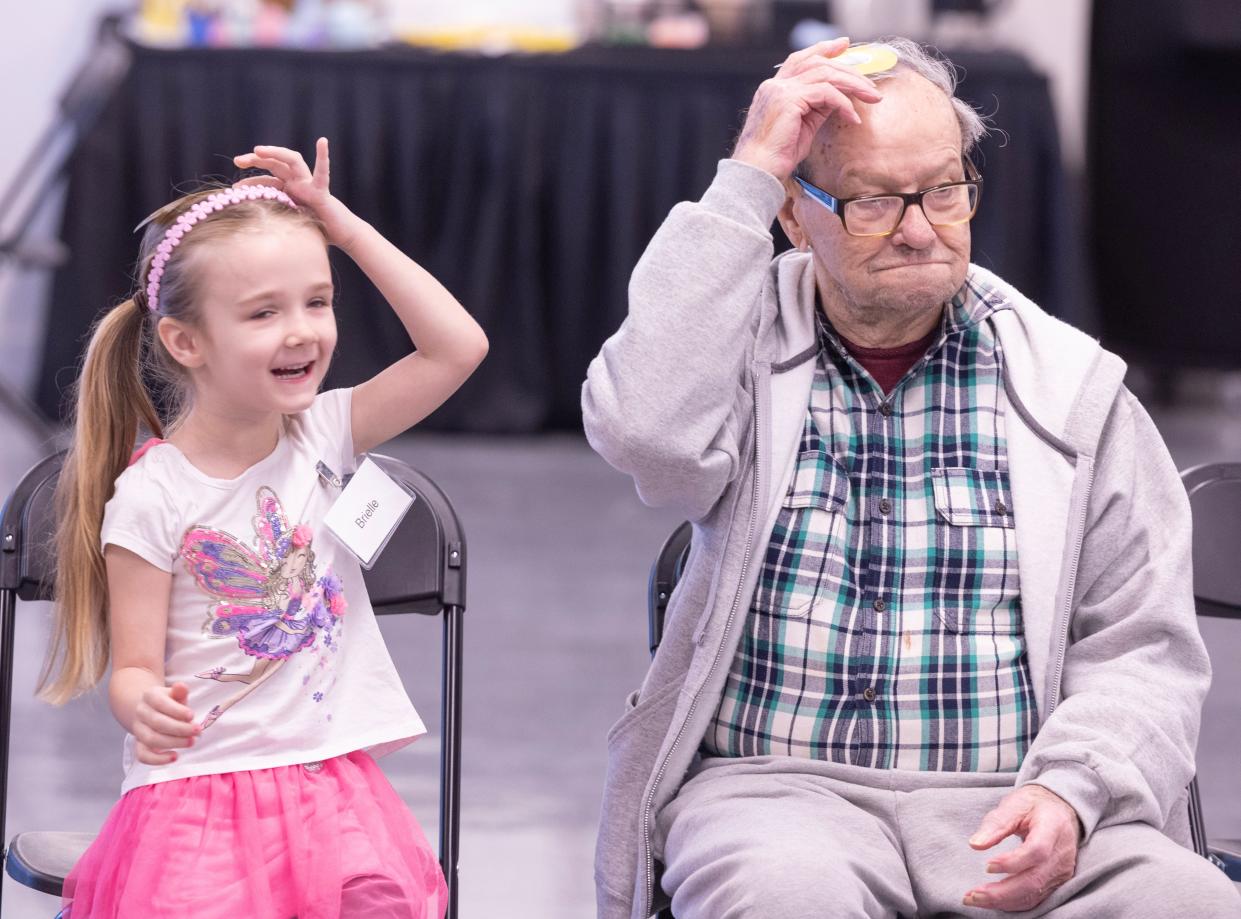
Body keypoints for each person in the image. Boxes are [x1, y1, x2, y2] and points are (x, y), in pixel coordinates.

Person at [582, 37, 1241, 919]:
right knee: (784, 897)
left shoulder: (1070, 388)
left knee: (1190, 901)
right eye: (873, 203)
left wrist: (1070, 790)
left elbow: (1141, 649)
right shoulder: (733, 346)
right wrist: (746, 173)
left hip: (1011, 794)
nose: (921, 227)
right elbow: (644, 434)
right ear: (792, 212)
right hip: (775, 796)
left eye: (942, 190)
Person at [41, 138, 488, 918]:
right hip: (196, 795)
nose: (302, 331)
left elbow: (457, 347)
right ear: (186, 342)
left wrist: (342, 228)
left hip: (326, 785)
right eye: (263, 312)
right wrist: (142, 701)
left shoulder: (324, 431)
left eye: (318, 302)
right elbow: (134, 668)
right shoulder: (152, 495)